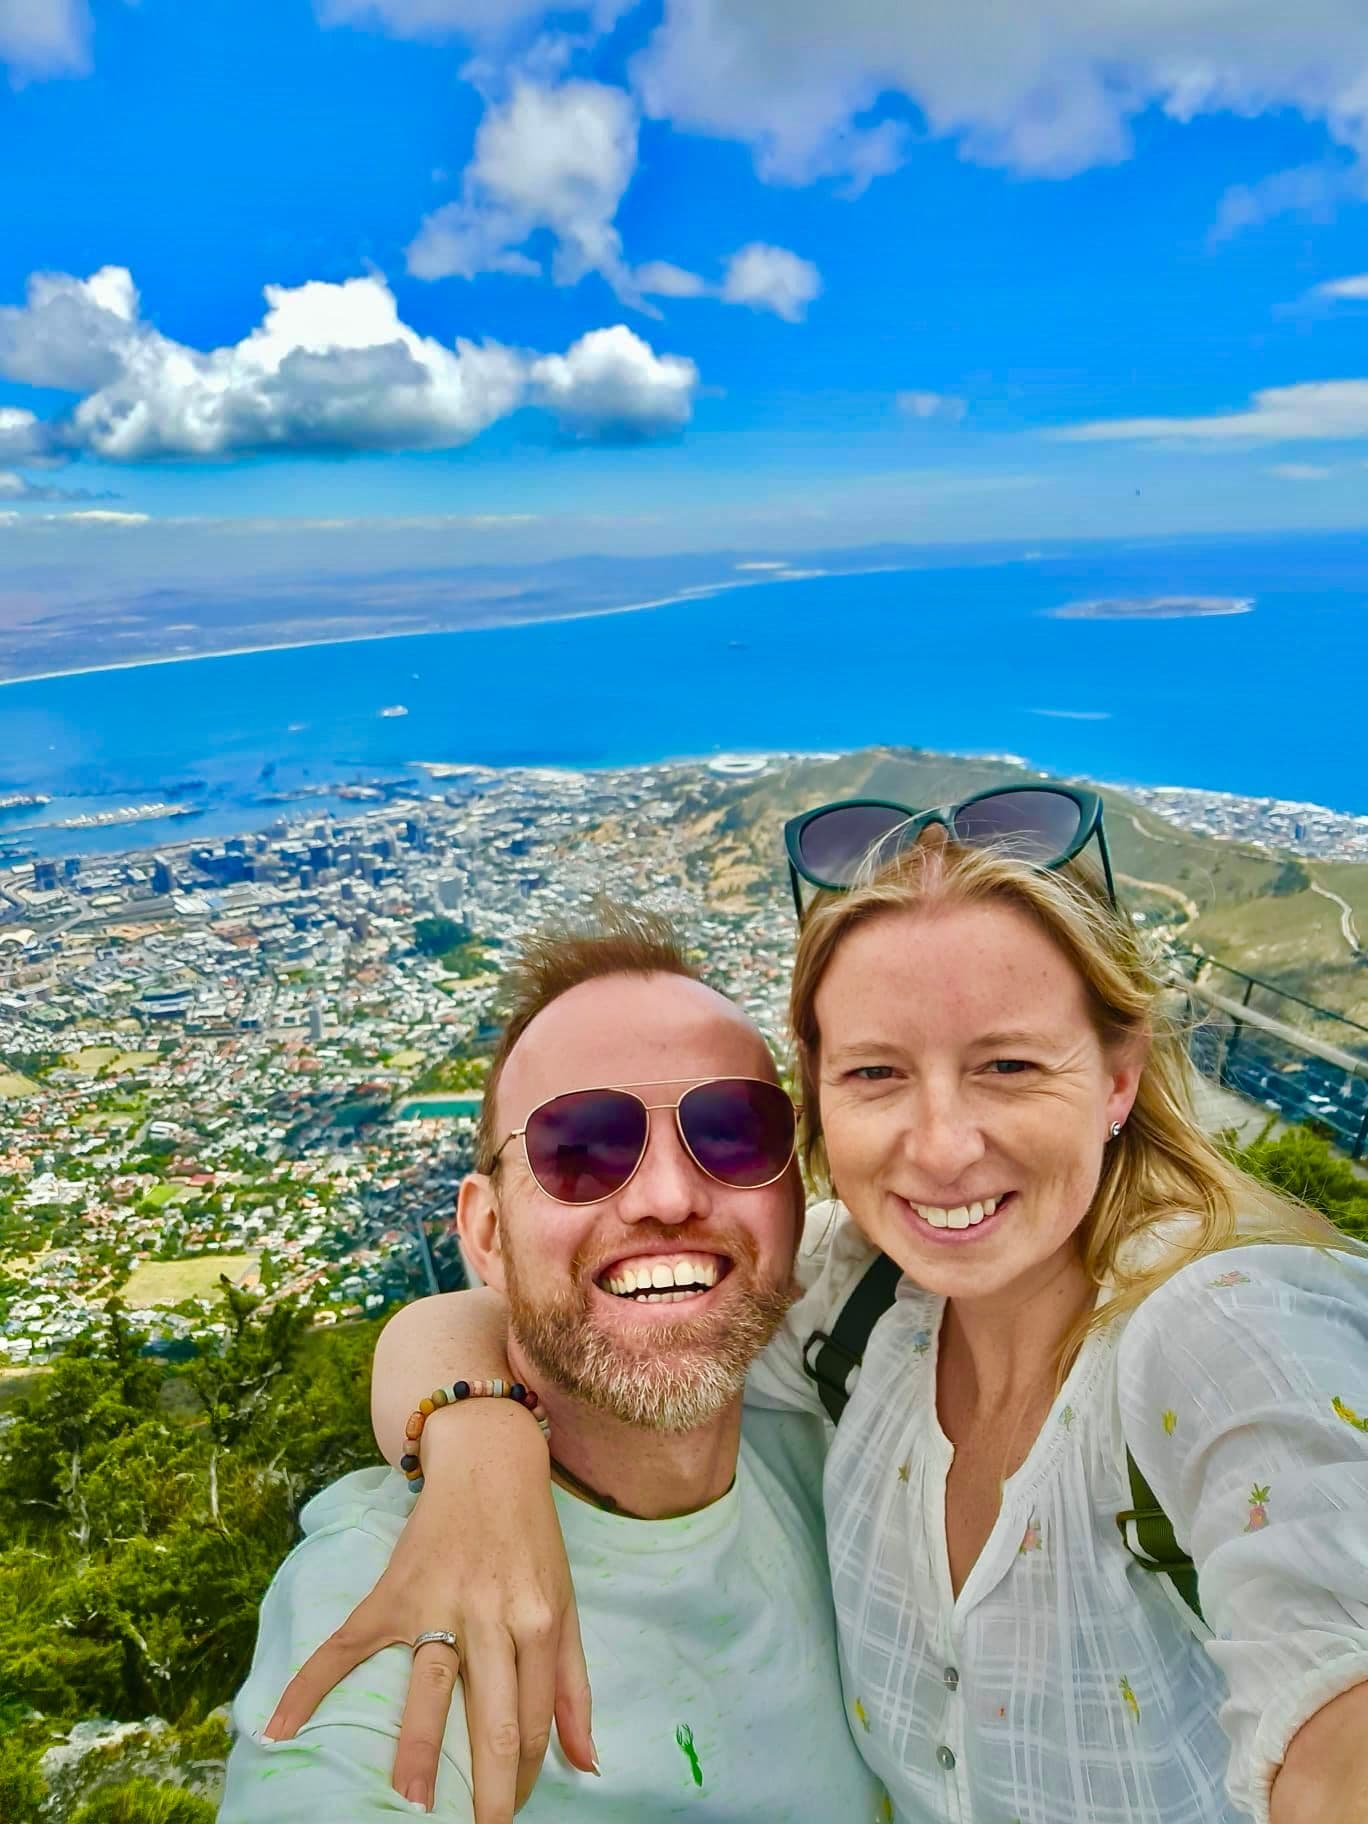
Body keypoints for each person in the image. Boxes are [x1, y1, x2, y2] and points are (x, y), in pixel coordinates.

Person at [276, 791, 1368, 1824]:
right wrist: (478, 1446)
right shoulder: (857, 1309)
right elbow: (545, 1311)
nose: (941, 1147)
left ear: (1118, 1080)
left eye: (1009, 1064)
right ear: (824, 1109)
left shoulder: (1226, 1326)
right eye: (877, 1076)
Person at [220, 906, 888, 1823]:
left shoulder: (847, 1423)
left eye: (735, 1133)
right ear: (486, 1233)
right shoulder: (397, 1592)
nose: (667, 1195)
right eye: (581, 1150)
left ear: (795, 1198)